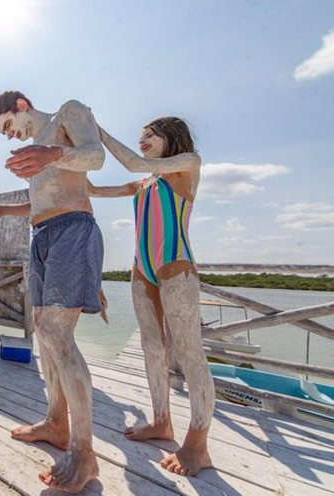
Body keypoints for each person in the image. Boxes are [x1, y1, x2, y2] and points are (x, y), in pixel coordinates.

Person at [0, 90, 105, 493]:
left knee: (56, 333)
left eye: (7, 127)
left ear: (21, 106)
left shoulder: (69, 113)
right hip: (43, 233)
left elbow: (96, 156)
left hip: (74, 228)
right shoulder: (37, 150)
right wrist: (2, 211)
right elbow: (38, 201)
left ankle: (84, 452)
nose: (10, 136)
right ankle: (56, 422)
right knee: (42, 331)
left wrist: (53, 154)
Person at [89, 117, 214, 476]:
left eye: (149, 134)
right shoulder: (145, 183)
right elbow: (98, 190)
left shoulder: (188, 163)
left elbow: (134, 161)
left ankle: (198, 443)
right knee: (151, 346)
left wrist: (98, 133)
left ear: (170, 136)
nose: (142, 139)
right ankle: (162, 421)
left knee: (189, 351)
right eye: (140, 135)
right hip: (141, 268)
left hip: (176, 265)